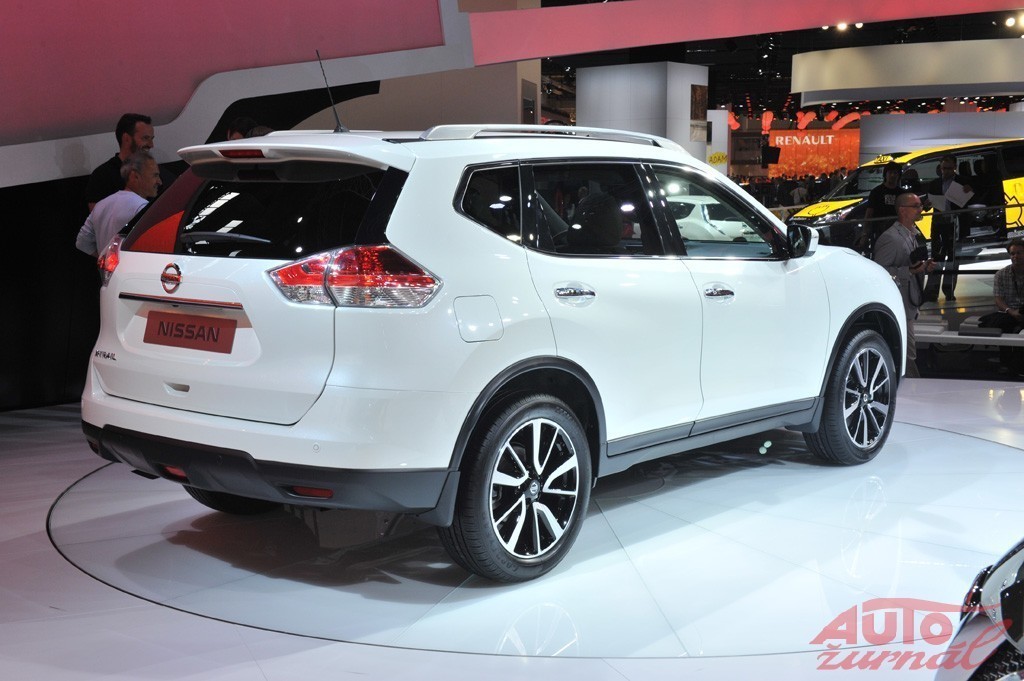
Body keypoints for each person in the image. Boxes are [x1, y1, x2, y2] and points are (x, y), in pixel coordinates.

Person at [873, 193, 936, 378]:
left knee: (908, 352)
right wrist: (909, 270)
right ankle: (911, 387)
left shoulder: (911, 234)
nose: (920, 209)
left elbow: (909, 265)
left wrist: (922, 267)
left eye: (920, 205)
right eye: (915, 206)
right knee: (907, 354)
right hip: (899, 304)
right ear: (902, 210)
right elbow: (879, 272)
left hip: (908, 303)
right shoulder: (891, 238)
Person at [76, 151, 161, 258]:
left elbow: (82, 242)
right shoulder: (142, 207)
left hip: (109, 268)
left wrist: (106, 258)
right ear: (135, 176)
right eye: (155, 175)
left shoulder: (100, 206)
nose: (159, 181)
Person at [924, 155, 973, 303]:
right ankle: (932, 293)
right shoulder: (934, 183)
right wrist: (926, 205)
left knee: (953, 259)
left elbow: (971, 203)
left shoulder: (963, 182)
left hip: (956, 225)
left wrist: (970, 192)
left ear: (955, 167)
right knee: (936, 258)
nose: (946, 171)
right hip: (939, 225)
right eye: (943, 168)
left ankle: (949, 290)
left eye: (949, 168)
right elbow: (927, 205)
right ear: (940, 168)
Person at [84, 113, 155, 211]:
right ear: (126, 139)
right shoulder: (102, 175)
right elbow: (98, 217)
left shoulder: (152, 172)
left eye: (151, 139)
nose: (151, 145)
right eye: (145, 138)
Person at [986, 238, 1024, 374]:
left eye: (1019, 253)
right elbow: (999, 300)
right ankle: (1008, 363)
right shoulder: (1001, 274)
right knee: (1004, 324)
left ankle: (1016, 363)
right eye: (1013, 253)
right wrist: (1011, 311)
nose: (1015, 256)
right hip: (1009, 312)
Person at [862, 161, 903, 254]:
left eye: (895, 173)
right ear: (885, 174)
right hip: (879, 231)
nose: (892, 175)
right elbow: (869, 213)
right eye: (890, 172)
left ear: (899, 175)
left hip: (898, 231)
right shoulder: (876, 192)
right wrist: (865, 233)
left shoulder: (902, 193)